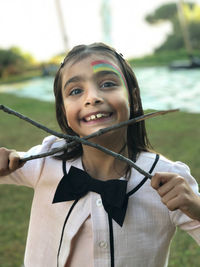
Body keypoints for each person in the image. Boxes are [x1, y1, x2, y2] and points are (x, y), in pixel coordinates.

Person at [0, 43, 200, 267]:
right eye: (76, 91)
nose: (92, 97)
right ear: (64, 112)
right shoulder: (45, 159)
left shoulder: (169, 180)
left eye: (108, 84)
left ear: (133, 99)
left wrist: (196, 208)